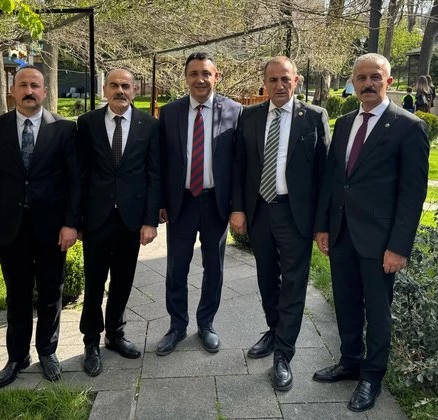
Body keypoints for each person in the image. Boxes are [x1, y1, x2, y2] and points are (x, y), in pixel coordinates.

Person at [313, 53, 429, 412]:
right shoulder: (345, 123)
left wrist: (399, 246)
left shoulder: (408, 127)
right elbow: (334, 179)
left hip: (380, 241)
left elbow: (412, 194)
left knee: (378, 312)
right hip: (342, 232)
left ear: (388, 82)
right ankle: (350, 362)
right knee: (346, 303)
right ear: (353, 82)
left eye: (375, 77)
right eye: (361, 78)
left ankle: (372, 377)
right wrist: (323, 225)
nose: (368, 84)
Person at [0, 65, 82, 388]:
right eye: (23, 85)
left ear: (44, 91)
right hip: (9, 228)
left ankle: (47, 351)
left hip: (53, 229)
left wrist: (71, 224)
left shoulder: (64, 129)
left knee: (50, 293)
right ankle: (17, 356)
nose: (29, 91)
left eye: (35, 85)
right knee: (17, 295)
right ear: (13, 91)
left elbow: (75, 181)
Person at [231, 56, 329, 391]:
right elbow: (239, 166)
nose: (279, 85)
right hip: (260, 210)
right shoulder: (250, 116)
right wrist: (238, 209)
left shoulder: (314, 117)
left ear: (296, 80)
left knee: (294, 283)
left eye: (285, 79)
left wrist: (322, 223)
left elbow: (324, 174)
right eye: (272, 80)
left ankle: (284, 354)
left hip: (295, 214)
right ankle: (274, 330)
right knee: (266, 278)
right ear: (265, 83)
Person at [156, 52, 242, 356]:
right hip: (181, 202)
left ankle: (206, 324)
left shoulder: (235, 111)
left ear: (216, 76)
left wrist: (237, 206)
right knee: (176, 268)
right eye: (193, 74)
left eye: (206, 73)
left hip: (215, 202)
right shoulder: (170, 112)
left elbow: (239, 163)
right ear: (186, 78)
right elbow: (161, 161)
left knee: (214, 268)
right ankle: (177, 326)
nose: (200, 79)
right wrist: (161, 202)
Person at [77, 68, 160, 376]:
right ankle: (90, 341)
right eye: (114, 85)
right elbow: (79, 174)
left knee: (123, 281)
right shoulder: (87, 123)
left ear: (134, 90)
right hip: (97, 218)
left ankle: (115, 333)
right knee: (94, 283)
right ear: (104, 89)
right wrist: (76, 220)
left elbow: (154, 174)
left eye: (126, 85)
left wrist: (150, 220)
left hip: (131, 219)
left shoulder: (149, 125)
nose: (120, 90)